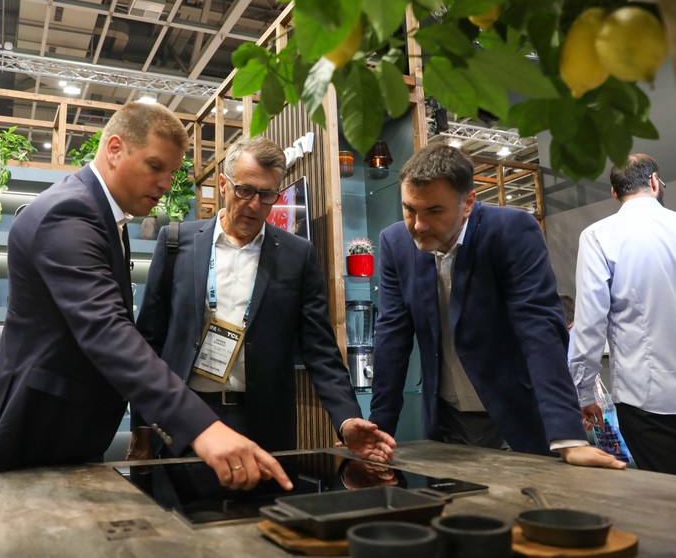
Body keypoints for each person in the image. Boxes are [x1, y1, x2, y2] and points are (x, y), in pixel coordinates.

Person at [0, 101, 293, 492]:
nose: (165, 183)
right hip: (38, 428)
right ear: (114, 149)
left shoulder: (106, 217)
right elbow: (107, 330)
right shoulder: (70, 213)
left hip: (67, 428)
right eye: (155, 166)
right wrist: (203, 427)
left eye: (172, 173)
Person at [132, 136, 395, 461]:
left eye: (267, 195)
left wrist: (347, 419)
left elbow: (320, 349)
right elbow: (149, 340)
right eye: (245, 190)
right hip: (184, 419)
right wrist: (141, 426)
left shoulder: (297, 255)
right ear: (223, 184)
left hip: (264, 427)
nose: (255, 205)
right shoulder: (176, 242)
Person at [369, 144, 624, 470]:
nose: (418, 225)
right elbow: (391, 336)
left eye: (434, 211)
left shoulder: (511, 230)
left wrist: (568, 436)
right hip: (445, 422)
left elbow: (540, 330)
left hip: (515, 417)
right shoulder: (395, 243)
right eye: (409, 209)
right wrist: (379, 431)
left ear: (468, 203)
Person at [572, 153, 676, 474]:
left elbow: (590, 322)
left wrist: (584, 391)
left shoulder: (598, 236)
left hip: (645, 397)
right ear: (655, 182)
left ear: (615, 193)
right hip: (645, 397)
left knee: (662, 493)